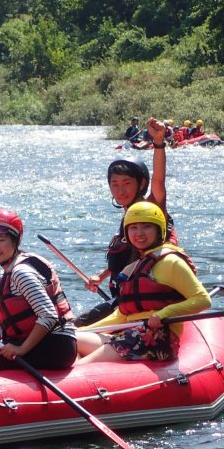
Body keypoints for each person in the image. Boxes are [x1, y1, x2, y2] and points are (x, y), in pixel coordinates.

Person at [76, 202, 211, 363]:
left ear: (159, 230)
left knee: (82, 366)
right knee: (72, 338)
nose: (139, 233)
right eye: (133, 228)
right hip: (129, 335)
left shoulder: (171, 262)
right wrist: (84, 329)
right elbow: (122, 314)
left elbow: (203, 300)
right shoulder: (132, 268)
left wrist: (164, 313)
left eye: (146, 226)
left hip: (157, 340)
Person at [76, 117, 177, 326]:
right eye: (114, 184)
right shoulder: (127, 218)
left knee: (79, 326)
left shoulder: (151, 209)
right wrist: (101, 277)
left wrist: (159, 143)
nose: (120, 190)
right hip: (123, 299)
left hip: (144, 306)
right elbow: (127, 258)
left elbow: (159, 181)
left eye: (126, 183)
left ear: (141, 184)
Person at [0, 209, 77, 371]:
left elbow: (48, 315)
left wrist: (21, 350)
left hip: (55, 346)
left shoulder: (21, 273)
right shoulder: (5, 274)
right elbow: (8, 328)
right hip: (41, 342)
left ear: (15, 241)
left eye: (1, 240)